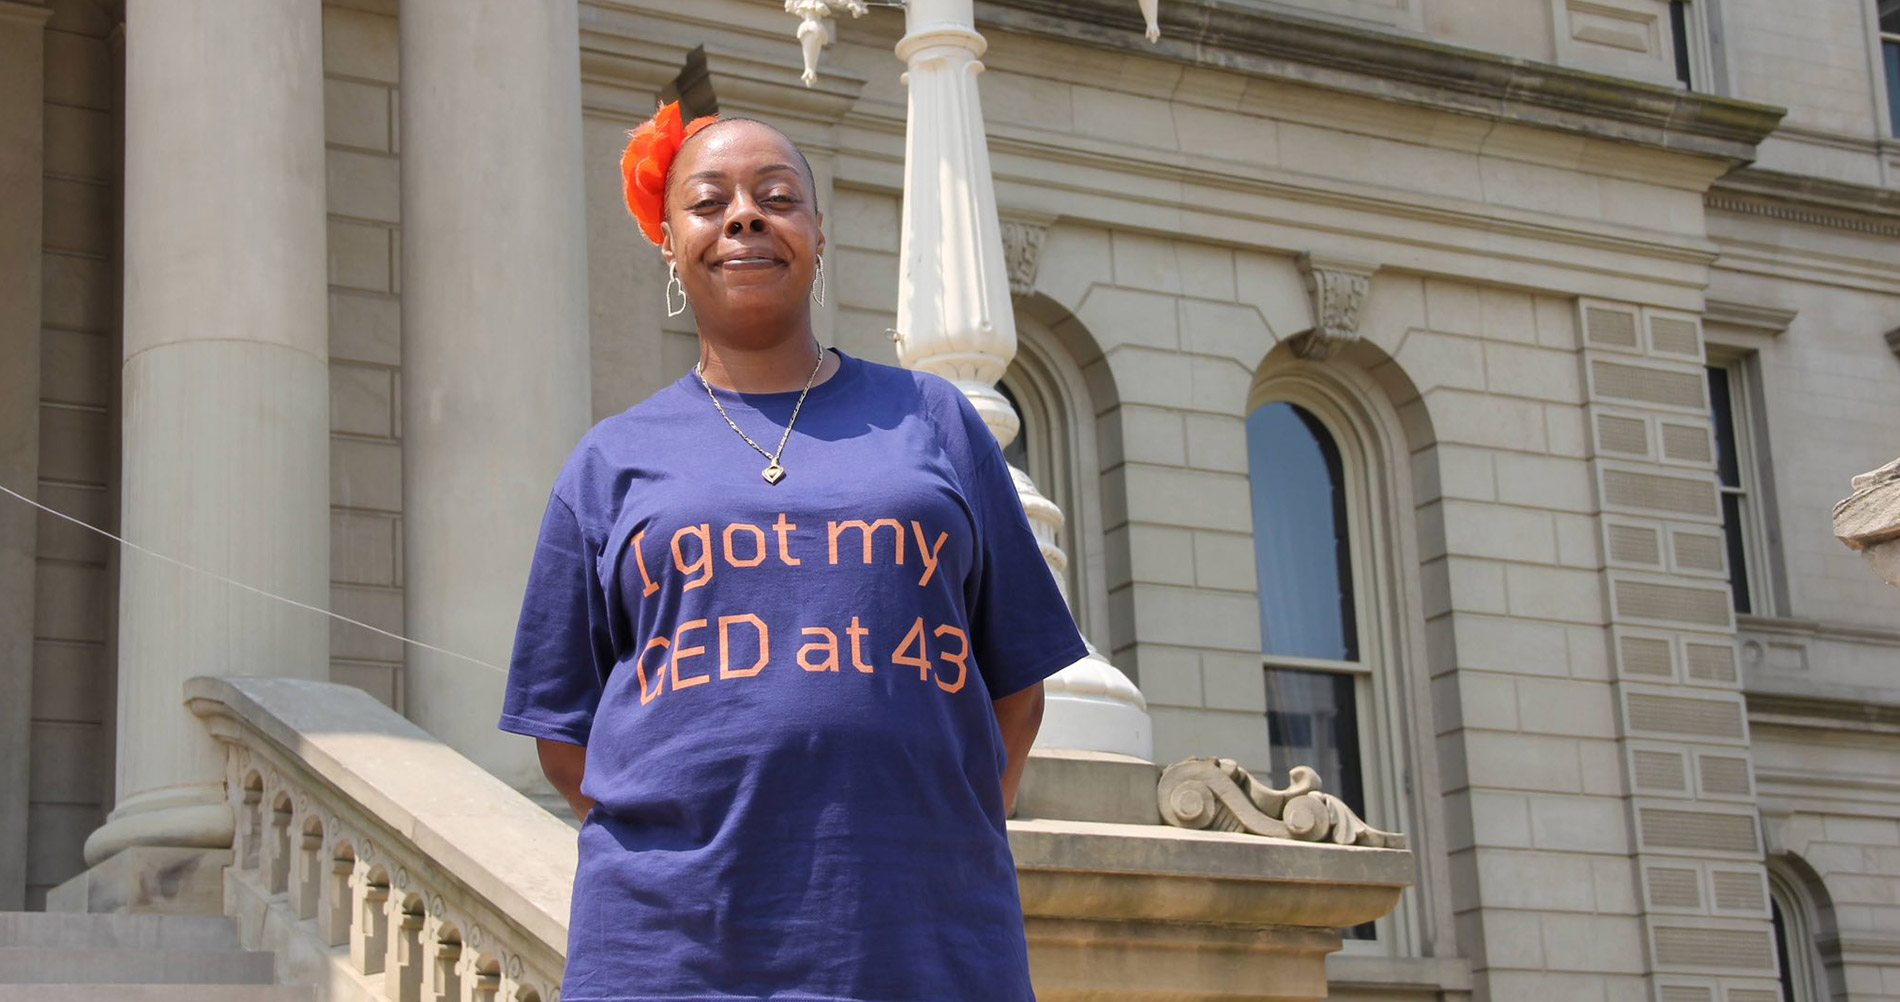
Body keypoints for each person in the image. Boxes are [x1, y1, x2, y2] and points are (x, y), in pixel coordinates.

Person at [498, 101, 1090, 1002]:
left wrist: (928, 829)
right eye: (709, 202)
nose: (744, 216)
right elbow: (563, 736)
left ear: (817, 233)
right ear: (669, 243)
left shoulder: (934, 421)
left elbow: (1018, 684)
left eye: (776, 196)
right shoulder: (609, 462)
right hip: (669, 955)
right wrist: (700, 840)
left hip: (924, 942)